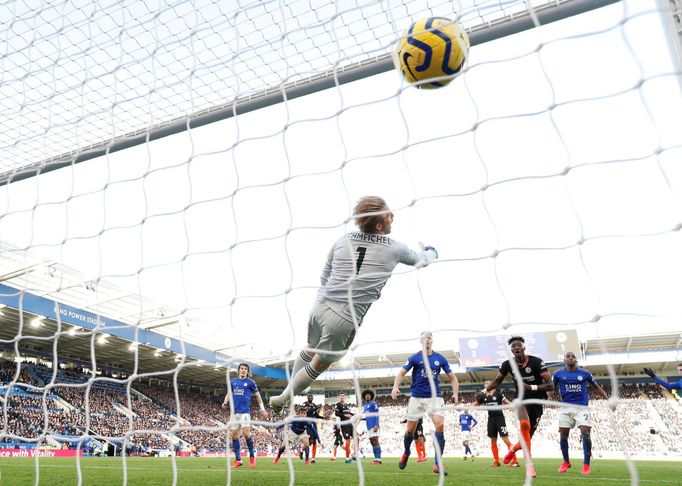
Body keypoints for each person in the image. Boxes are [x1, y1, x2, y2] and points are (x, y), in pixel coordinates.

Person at [269, 196, 438, 412]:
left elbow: (324, 275)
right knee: (317, 365)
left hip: (319, 306)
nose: (393, 216)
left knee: (310, 348)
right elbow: (422, 260)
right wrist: (432, 251)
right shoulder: (395, 248)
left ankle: (287, 393)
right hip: (343, 320)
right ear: (379, 226)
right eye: (388, 215)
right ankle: (281, 400)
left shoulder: (343, 239)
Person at [392, 331, 459, 476]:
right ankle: (406, 452)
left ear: (432, 340)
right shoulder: (415, 357)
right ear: (420, 341)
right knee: (410, 431)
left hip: (434, 398)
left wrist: (455, 393)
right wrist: (395, 387)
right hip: (416, 398)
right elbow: (401, 374)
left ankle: (437, 464)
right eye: (424, 338)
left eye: (429, 338)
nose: (427, 340)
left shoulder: (440, 358)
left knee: (440, 425)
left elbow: (453, 378)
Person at [486, 336, 553, 478]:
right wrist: (483, 392)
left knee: (527, 437)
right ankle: (530, 466)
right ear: (511, 350)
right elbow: (497, 381)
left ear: (524, 347)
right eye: (513, 346)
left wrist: (530, 387)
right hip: (520, 400)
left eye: (518, 345)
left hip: (537, 400)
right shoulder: (507, 364)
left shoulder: (537, 362)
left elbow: (550, 385)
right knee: (524, 425)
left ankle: (513, 449)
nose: (516, 347)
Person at [554, 351, 611, 476]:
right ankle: (566, 462)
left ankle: (586, 464)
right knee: (563, 435)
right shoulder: (558, 374)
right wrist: (547, 397)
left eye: (573, 356)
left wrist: (608, 400)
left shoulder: (585, 373)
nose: (570, 358)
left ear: (576, 360)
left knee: (586, 433)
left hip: (582, 408)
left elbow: (596, 387)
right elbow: (551, 388)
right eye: (568, 356)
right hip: (565, 408)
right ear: (564, 360)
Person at [222, 363, 268, 469]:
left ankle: (252, 457)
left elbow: (258, 396)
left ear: (247, 372)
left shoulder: (250, 382)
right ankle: (238, 460)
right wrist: (225, 403)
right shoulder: (233, 382)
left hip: (245, 412)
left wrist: (262, 409)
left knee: (247, 434)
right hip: (234, 413)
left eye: (245, 369)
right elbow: (229, 393)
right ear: (238, 371)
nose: (243, 370)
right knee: (234, 435)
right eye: (242, 368)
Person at [473, 380, 517, 467]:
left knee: (505, 440)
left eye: (488, 383)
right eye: (485, 383)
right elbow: (474, 405)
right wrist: (463, 407)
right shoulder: (483, 396)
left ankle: (515, 461)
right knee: (493, 440)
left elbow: (506, 401)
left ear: (492, 385)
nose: (486, 385)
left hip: (500, 418)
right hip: (491, 420)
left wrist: (512, 405)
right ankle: (496, 461)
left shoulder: (498, 394)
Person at [334, 391, 356, 463]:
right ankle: (347, 458)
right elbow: (336, 413)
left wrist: (354, 415)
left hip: (350, 424)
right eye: (341, 396)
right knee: (348, 441)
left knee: (357, 438)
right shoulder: (337, 405)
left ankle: (354, 454)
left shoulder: (346, 405)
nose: (342, 397)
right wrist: (344, 415)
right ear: (339, 397)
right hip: (344, 424)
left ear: (344, 397)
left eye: (343, 396)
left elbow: (349, 413)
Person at [362, 389, 382, 464]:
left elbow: (377, 414)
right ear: (364, 397)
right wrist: (361, 418)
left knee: (375, 441)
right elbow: (367, 417)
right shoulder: (365, 406)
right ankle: (376, 458)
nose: (367, 396)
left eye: (369, 395)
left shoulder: (373, 403)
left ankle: (378, 459)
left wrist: (376, 424)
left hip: (374, 425)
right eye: (366, 395)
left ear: (371, 396)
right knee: (372, 442)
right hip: (369, 427)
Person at [303, 393, 324, 463]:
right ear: (307, 398)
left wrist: (323, 418)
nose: (310, 398)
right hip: (307, 424)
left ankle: (313, 458)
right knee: (309, 441)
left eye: (311, 397)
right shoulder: (304, 404)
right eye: (309, 397)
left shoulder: (314, 405)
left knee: (314, 442)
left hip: (313, 423)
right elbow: (308, 412)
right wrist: (316, 407)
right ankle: (302, 451)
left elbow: (316, 415)